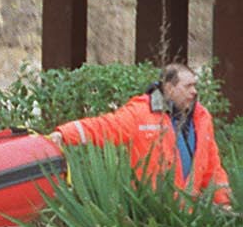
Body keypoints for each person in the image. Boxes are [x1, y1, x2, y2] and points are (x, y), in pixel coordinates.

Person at [49, 63, 231, 208]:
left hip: (190, 217)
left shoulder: (201, 117)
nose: (194, 92)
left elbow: (212, 167)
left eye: (195, 85)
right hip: (153, 215)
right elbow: (104, 127)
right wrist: (64, 134)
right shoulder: (141, 113)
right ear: (169, 87)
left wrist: (223, 202)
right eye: (188, 86)